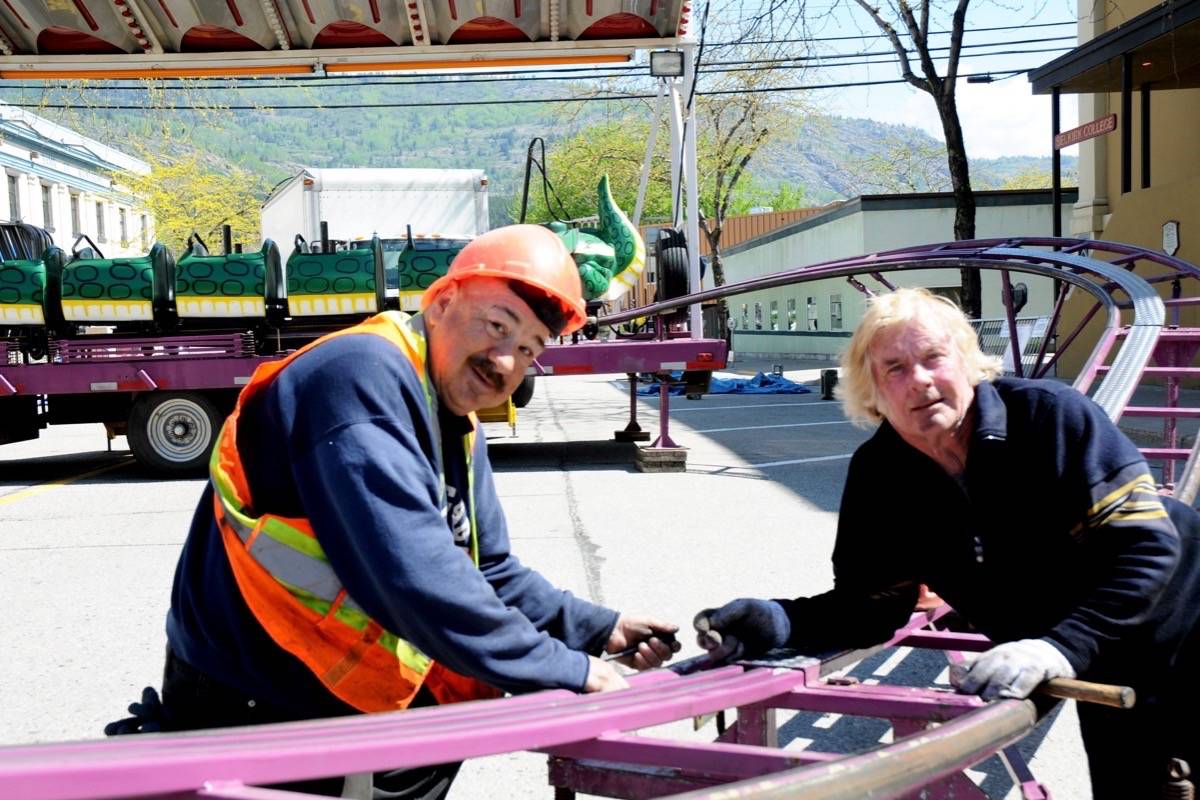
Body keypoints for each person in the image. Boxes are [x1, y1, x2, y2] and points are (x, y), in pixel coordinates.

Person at [108, 225, 679, 798]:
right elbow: (416, 576)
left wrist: (599, 630)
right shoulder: (359, 376)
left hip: (332, 701)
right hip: (251, 701)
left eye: (528, 348)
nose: (507, 360)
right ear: (443, 301)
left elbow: (489, 570)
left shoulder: (454, 418)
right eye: (498, 324)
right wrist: (573, 671)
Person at [693, 287, 1200, 798]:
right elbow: (870, 607)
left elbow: (1148, 550)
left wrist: (1059, 647)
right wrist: (779, 620)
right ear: (871, 393)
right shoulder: (879, 476)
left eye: (933, 358)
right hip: (1084, 653)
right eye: (894, 368)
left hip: (1175, 622)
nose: (919, 381)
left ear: (969, 363)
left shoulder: (1050, 417)